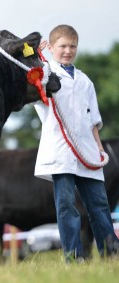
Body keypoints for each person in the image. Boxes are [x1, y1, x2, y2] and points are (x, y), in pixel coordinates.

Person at [34, 24, 119, 262]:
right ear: (51, 48)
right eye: (62, 46)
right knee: (67, 206)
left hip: (88, 151)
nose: (68, 51)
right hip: (61, 151)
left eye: (72, 46)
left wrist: (99, 147)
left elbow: (93, 119)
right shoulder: (44, 75)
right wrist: (36, 56)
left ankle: (111, 252)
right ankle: (73, 256)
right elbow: (28, 78)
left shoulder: (85, 81)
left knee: (100, 205)